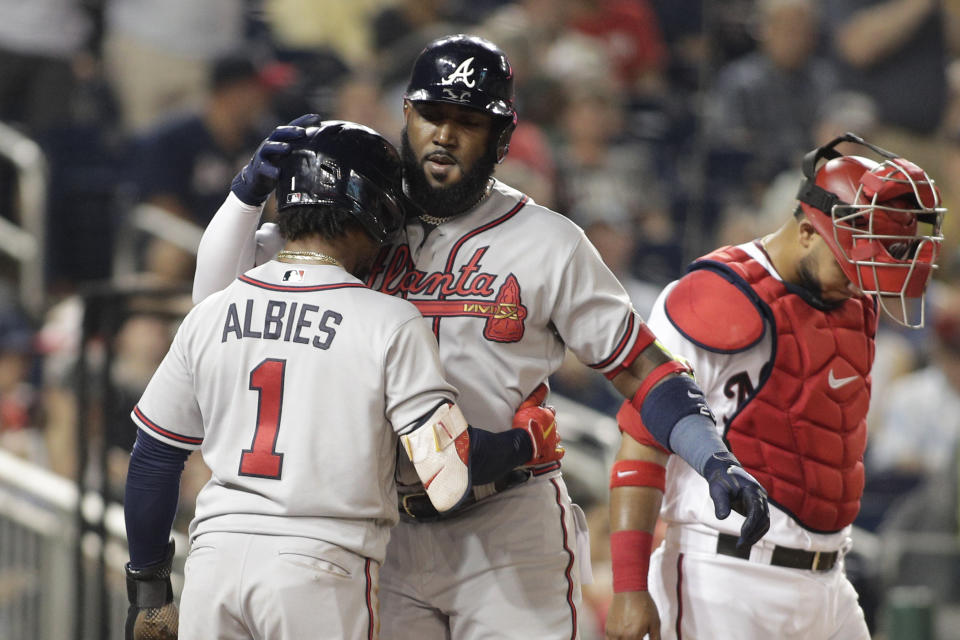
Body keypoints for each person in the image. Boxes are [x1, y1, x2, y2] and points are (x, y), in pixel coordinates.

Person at [192, 35, 769, 639]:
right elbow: (215, 299)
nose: (445, 134)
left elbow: (642, 367)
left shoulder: (550, 243)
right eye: (433, 115)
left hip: (506, 526)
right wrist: (243, 197)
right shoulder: (352, 219)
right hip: (374, 526)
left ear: (502, 137)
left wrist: (713, 455)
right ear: (407, 116)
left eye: (467, 121)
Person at [121, 120, 565, 640]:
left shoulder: (214, 311)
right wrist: (523, 442)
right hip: (320, 568)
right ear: (373, 211)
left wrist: (150, 591)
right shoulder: (388, 319)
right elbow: (447, 475)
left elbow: (153, 458)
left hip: (214, 561)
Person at [605, 132, 946, 639]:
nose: (859, 281)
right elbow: (641, 441)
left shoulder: (856, 301)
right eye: (849, 263)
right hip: (725, 578)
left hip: (830, 581)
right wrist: (629, 588)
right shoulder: (716, 294)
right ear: (808, 231)